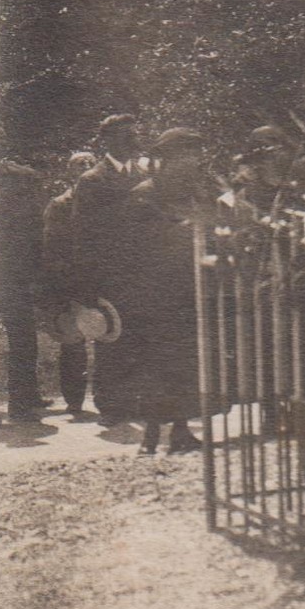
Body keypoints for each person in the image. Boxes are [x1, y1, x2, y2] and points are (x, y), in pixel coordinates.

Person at [128, 128, 214, 454]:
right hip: (155, 293)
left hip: (189, 289)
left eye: (197, 155)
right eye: (189, 155)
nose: (195, 162)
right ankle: (150, 435)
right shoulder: (145, 193)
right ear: (170, 158)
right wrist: (190, 228)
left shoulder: (196, 194)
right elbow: (143, 244)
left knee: (187, 361)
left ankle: (180, 430)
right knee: (156, 362)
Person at [72, 114, 148, 424]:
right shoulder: (92, 180)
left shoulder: (143, 175)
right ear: (108, 140)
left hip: (142, 274)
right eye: (125, 135)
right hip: (110, 276)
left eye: (134, 134)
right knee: (112, 341)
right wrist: (88, 287)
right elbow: (82, 236)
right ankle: (111, 406)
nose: (133, 140)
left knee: (140, 337)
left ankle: (135, 401)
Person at [0, 135, 46, 423]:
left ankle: (22, 401)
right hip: (0, 277)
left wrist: (34, 275)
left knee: (23, 339)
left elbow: (35, 237)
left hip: (14, 277)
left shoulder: (20, 186)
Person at [42, 151, 100, 417]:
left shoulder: (104, 202)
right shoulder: (59, 205)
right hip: (70, 280)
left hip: (100, 277)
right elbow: (51, 246)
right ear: (70, 172)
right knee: (73, 340)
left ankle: (106, 396)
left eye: (90, 164)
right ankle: (75, 400)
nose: (85, 168)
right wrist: (62, 280)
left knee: (107, 335)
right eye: (80, 165)